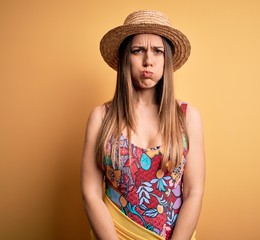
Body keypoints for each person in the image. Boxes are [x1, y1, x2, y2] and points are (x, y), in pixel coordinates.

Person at [81, 10, 205, 240]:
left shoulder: (188, 118)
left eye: (158, 51)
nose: (148, 60)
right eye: (138, 50)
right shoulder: (101, 117)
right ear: (125, 58)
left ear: (166, 59)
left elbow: (193, 192)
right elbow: (90, 192)